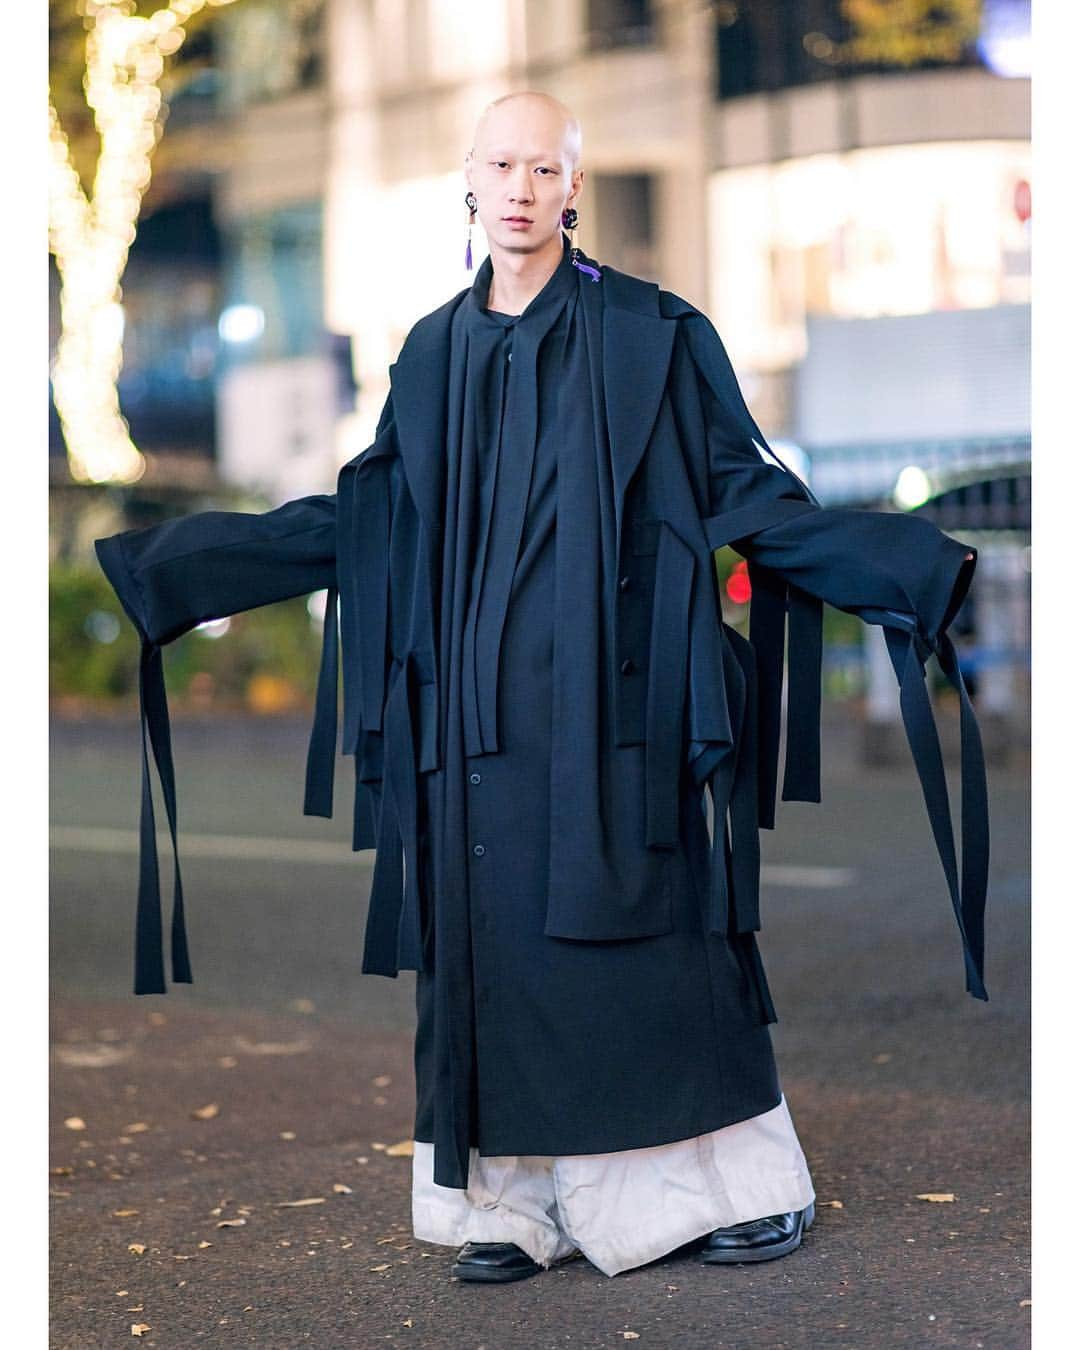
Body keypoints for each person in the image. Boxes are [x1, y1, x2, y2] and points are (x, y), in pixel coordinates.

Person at [94, 91, 988, 1284]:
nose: (521, 187)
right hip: (466, 729)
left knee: (654, 953)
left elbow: (749, 497)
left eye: (545, 167)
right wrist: (176, 573)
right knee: (495, 956)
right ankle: (512, 1207)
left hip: (624, 713)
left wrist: (911, 569)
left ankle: (725, 1193)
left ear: (576, 186)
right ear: (471, 182)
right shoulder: (430, 350)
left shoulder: (655, 336)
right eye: (501, 164)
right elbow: (370, 519)